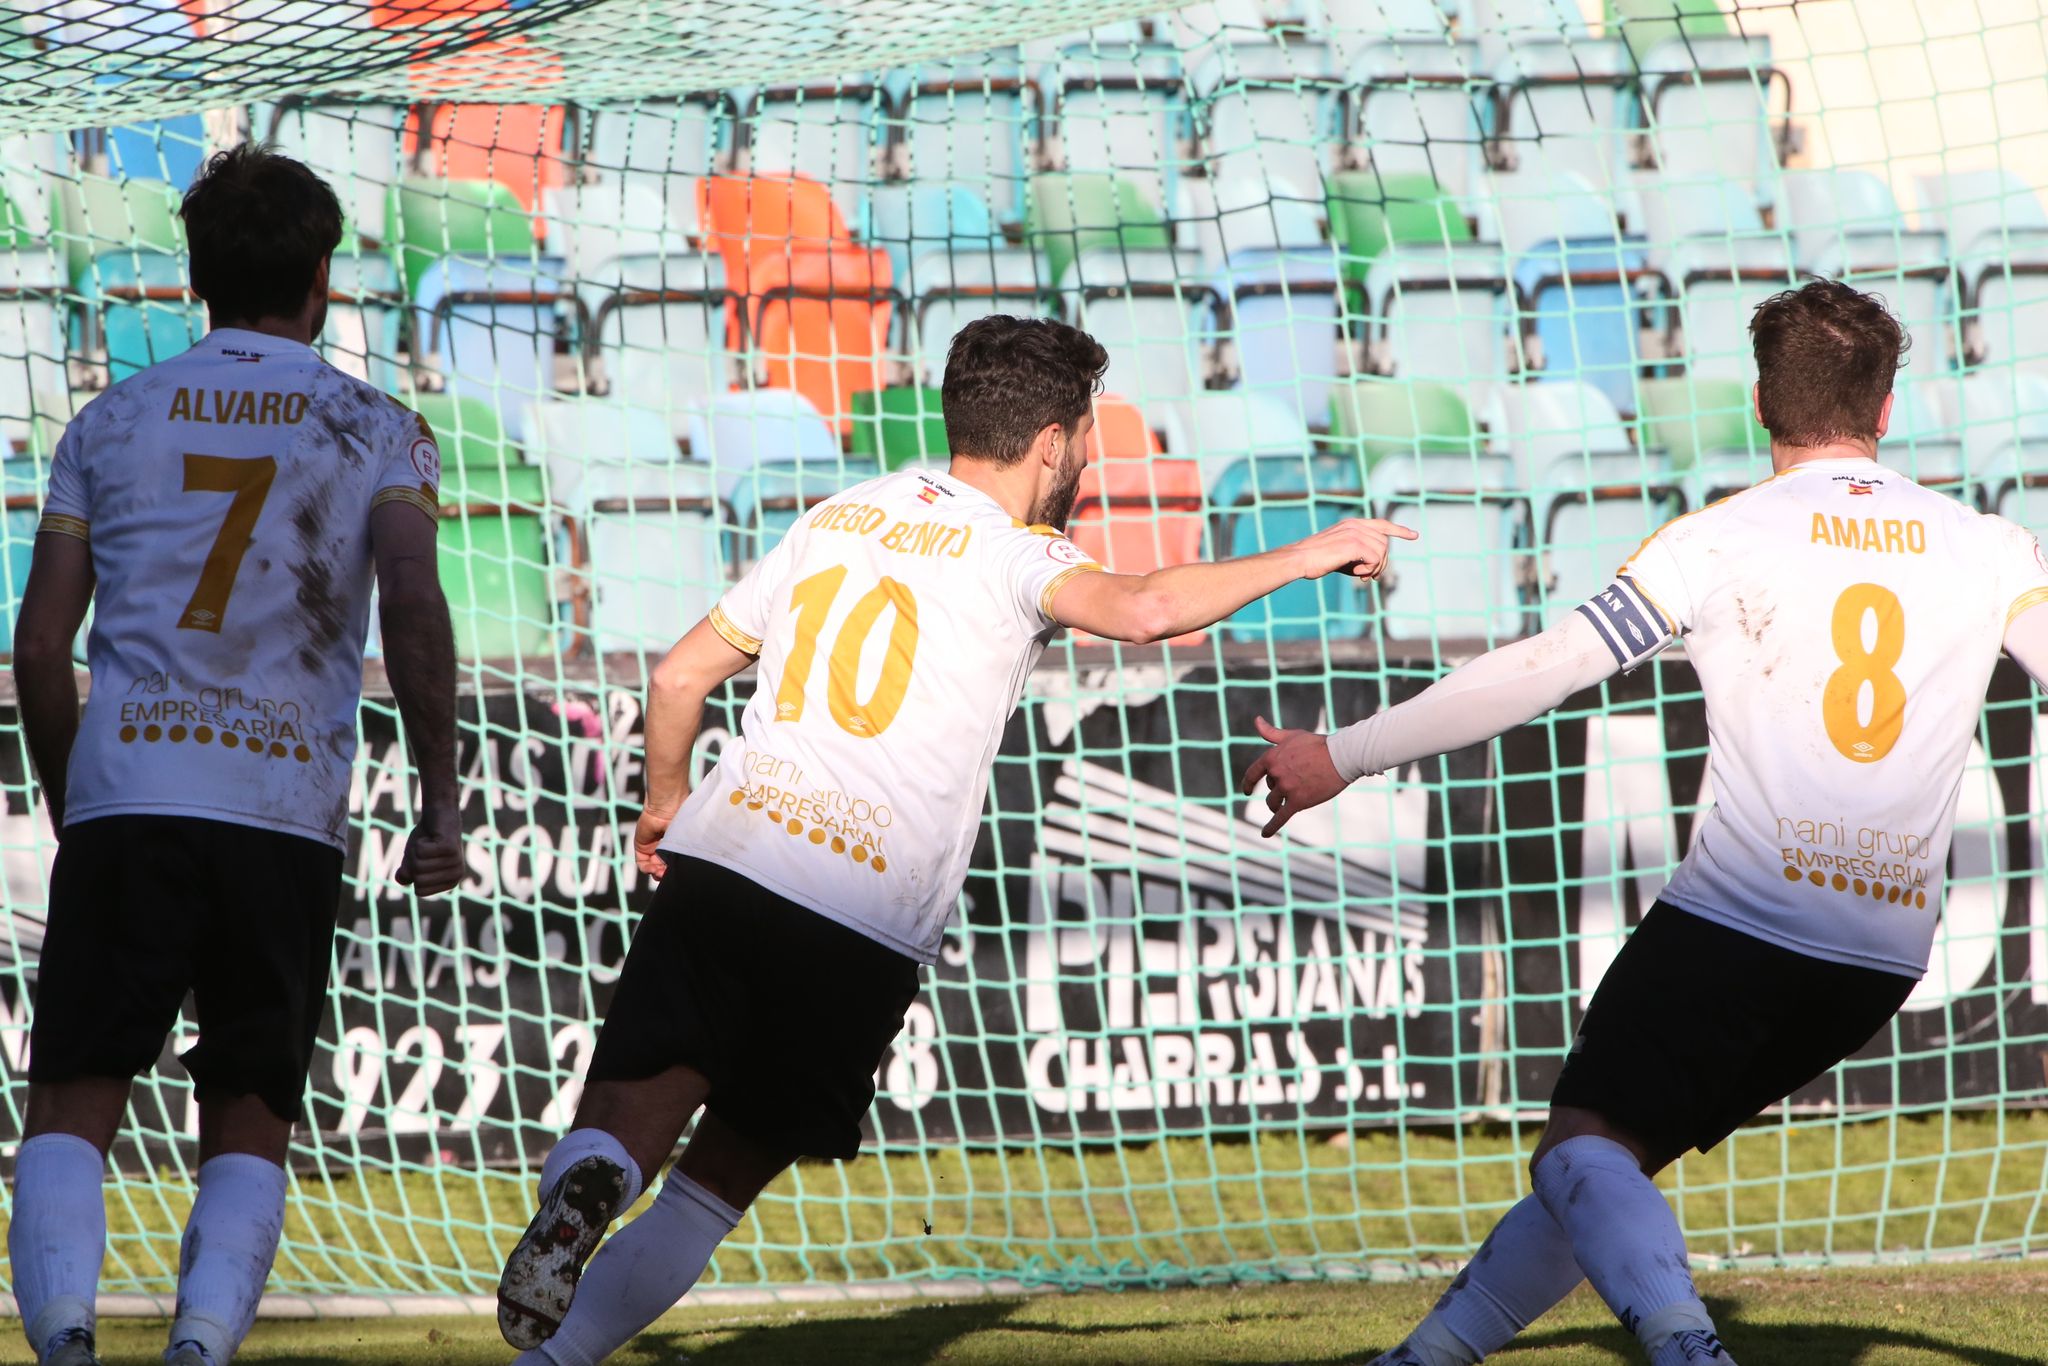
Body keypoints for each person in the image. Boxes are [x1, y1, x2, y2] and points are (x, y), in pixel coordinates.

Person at [494, 315, 1417, 1363]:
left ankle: (594, 1176)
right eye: (1087, 440)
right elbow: (1151, 607)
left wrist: (663, 801)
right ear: (1054, 445)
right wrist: (1310, 550)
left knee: (625, 1123)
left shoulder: (841, 513)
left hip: (729, 858)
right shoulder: (1019, 554)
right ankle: (555, 1358)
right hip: (860, 915)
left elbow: (674, 678)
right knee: (711, 1190)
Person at [1244, 279, 2048, 1366]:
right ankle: (1421, 1359)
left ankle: (1683, 1348)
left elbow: (1536, 671)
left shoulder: (1713, 540)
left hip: (1739, 922)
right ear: (1887, 407)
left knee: (1578, 1151)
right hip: (1879, 957)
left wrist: (1338, 754)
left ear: (1760, 402)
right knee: (1606, 1162)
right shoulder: (1990, 546)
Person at [7, 144, 463, 1366]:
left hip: (131, 797)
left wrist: (76, 798)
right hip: (281, 812)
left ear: (196, 278)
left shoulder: (106, 420)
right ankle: (201, 1348)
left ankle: (60, 1345)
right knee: (251, 1117)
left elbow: (42, 644)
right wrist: (440, 800)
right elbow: (415, 613)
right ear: (321, 277)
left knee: (69, 1106)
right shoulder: (380, 428)